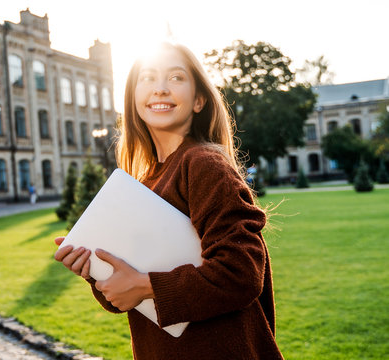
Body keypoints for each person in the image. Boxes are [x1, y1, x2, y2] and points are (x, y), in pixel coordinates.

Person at [54, 42, 283, 359]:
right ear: (134, 99)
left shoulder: (203, 164)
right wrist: (96, 272)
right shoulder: (145, 181)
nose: (160, 89)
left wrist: (145, 286)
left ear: (199, 100)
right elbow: (129, 296)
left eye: (176, 78)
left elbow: (241, 273)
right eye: (147, 78)